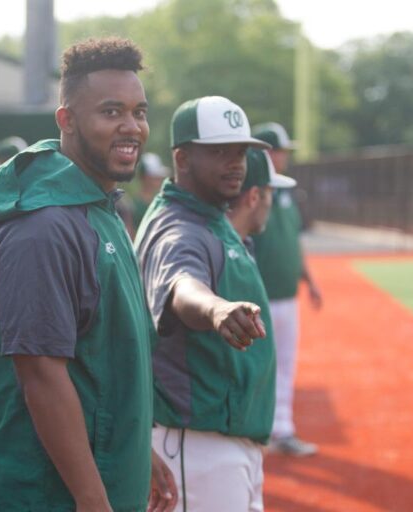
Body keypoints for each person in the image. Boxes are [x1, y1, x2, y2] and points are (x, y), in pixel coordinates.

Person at [0, 37, 177, 512]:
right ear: (67, 120)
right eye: (110, 112)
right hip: (45, 494)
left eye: (139, 112)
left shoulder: (98, 206)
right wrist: (91, 495)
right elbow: (40, 373)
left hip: (97, 477)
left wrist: (136, 453)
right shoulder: (40, 224)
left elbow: (100, 361)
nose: (132, 127)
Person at [134, 96, 276, 512]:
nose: (235, 163)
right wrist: (215, 309)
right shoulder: (179, 226)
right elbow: (181, 284)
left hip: (220, 444)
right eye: (219, 151)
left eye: (240, 152)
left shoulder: (210, 218)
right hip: (195, 447)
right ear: (182, 157)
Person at [252, 122, 323, 457]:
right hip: (256, 298)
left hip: (287, 294)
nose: (285, 157)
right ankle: (256, 431)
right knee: (256, 367)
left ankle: (282, 430)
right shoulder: (249, 190)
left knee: (285, 365)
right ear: (265, 152)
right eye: (280, 150)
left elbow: (294, 240)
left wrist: (309, 279)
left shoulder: (288, 191)